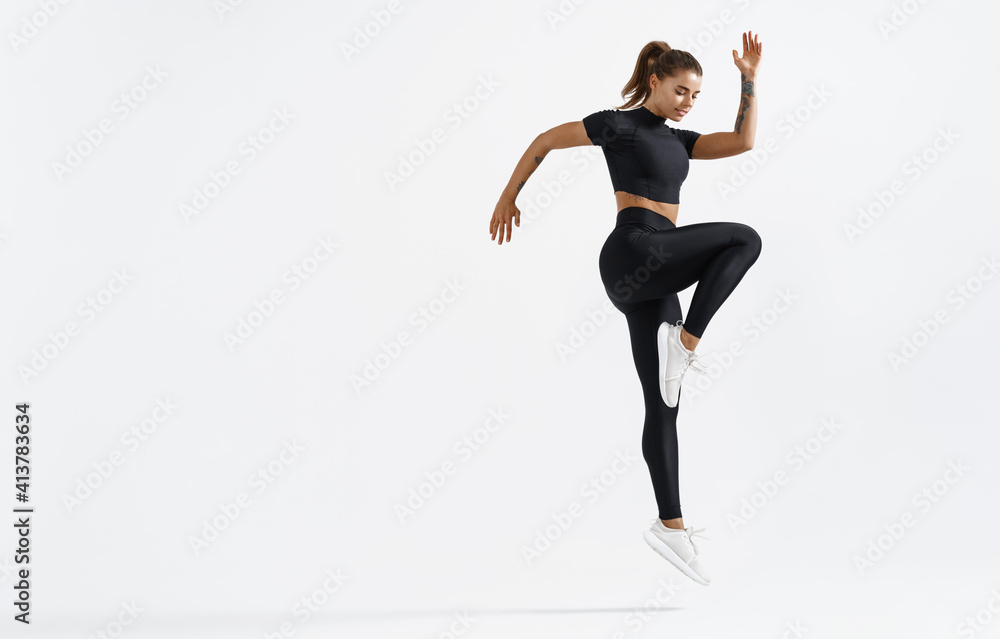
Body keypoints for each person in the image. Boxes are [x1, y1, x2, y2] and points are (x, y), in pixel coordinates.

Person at [489, 32, 764, 585]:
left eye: (696, 95)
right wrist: (508, 195)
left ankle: (671, 526)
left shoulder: (680, 141)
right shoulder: (617, 124)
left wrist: (749, 79)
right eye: (681, 90)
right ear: (656, 81)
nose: (688, 101)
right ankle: (685, 344)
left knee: (664, 403)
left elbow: (742, 142)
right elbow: (545, 139)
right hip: (634, 249)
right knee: (744, 239)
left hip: (652, 275)